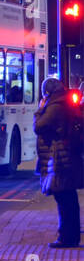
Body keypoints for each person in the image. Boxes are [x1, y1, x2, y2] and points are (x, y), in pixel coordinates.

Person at [34, 77, 84, 248]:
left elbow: (39, 126)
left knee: (63, 197)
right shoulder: (63, 103)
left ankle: (67, 238)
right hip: (65, 156)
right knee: (67, 197)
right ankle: (70, 236)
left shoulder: (55, 107)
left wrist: (40, 109)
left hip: (59, 158)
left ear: (47, 93)